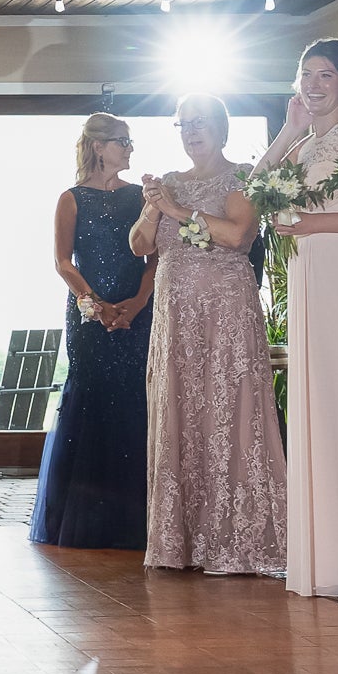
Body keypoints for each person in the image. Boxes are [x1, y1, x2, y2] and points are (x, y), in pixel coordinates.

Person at [253, 41, 338, 603]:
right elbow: (254, 192)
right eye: (305, 73)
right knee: (321, 406)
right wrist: (287, 130)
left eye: (325, 74)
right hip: (310, 281)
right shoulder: (302, 144)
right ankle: (328, 555)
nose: (313, 83)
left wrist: (312, 223)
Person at [131, 93, 283, 575]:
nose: (192, 132)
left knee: (228, 408)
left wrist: (176, 211)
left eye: (200, 123)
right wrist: (155, 207)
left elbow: (239, 236)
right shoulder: (169, 183)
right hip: (176, 316)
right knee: (181, 408)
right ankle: (181, 540)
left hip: (225, 311)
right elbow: (139, 245)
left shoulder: (241, 176)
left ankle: (238, 539)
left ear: (222, 127)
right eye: (184, 125)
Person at [28, 113, 153, 548]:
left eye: (131, 142)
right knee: (91, 399)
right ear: (98, 147)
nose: (130, 149)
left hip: (137, 310)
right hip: (87, 311)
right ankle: (85, 517)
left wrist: (136, 304)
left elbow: (153, 259)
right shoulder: (71, 198)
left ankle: (137, 517)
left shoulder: (141, 196)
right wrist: (95, 306)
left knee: (135, 400)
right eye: (123, 141)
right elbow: (63, 261)